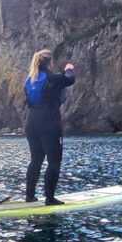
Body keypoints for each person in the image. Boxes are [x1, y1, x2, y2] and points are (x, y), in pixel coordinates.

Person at [24, 49, 75, 205]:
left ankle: (30, 196)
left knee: (36, 159)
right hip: (49, 123)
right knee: (54, 161)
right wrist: (69, 69)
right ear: (50, 62)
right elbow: (69, 79)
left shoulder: (29, 81)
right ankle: (50, 198)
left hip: (31, 122)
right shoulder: (52, 78)